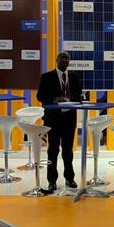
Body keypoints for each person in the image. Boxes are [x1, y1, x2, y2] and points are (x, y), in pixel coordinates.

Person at [36, 52, 83, 193]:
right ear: (56, 60)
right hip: (53, 119)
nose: (65, 60)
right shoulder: (46, 77)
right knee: (53, 150)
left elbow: (78, 95)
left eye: (67, 58)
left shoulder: (74, 77)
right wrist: (54, 99)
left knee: (68, 150)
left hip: (69, 118)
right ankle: (52, 181)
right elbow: (40, 96)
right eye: (62, 58)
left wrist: (74, 98)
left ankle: (70, 178)